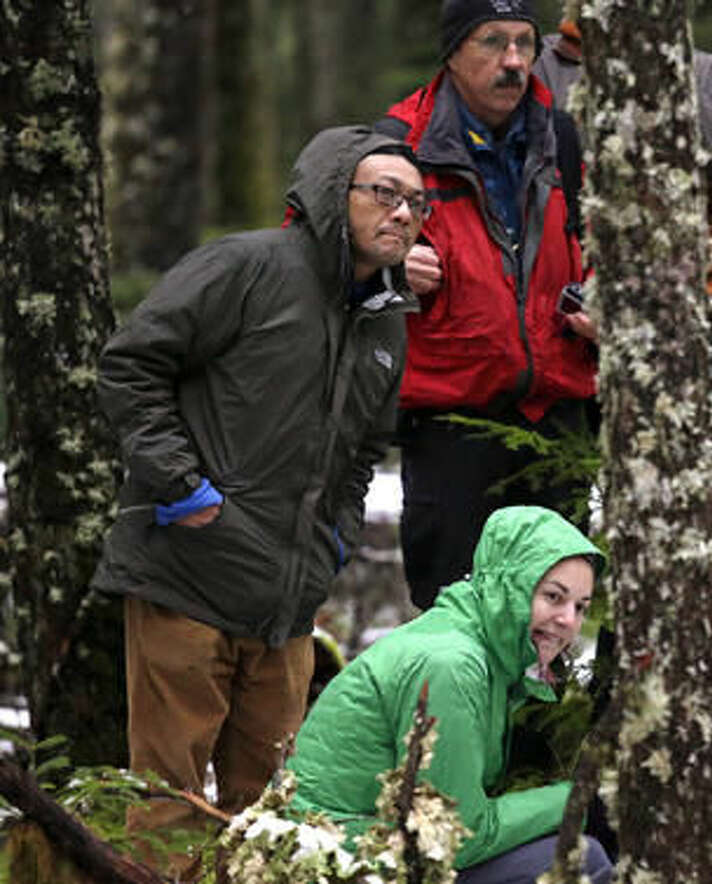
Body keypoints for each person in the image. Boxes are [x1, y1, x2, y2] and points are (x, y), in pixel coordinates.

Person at [91, 125, 426, 875]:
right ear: (333, 196)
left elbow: (363, 451)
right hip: (187, 577)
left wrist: (331, 539)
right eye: (383, 193)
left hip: (288, 605)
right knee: (170, 809)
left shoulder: (386, 319)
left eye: (416, 203)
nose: (402, 214)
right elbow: (131, 366)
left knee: (270, 813)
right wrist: (181, 487)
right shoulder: (247, 267)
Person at [375, 0, 598, 610]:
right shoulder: (398, 145)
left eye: (525, 43)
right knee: (456, 619)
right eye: (493, 42)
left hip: (555, 415)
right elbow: (324, 262)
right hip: (450, 427)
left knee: (551, 623)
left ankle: (546, 712)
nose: (514, 61)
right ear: (451, 53)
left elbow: (602, 246)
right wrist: (387, 268)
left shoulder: (564, 140)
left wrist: (604, 303)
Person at [287, 505, 613, 883]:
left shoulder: (478, 650)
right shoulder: (452, 666)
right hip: (339, 863)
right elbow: (451, 836)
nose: (569, 621)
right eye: (553, 597)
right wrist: (578, 799)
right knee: (582, 859)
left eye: (580, 607)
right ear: (509, 586)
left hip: (367, 849)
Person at [534, 19, 712, 438]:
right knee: (552, 492)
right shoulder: (531, 62)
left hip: (667, 329)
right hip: (552, 325)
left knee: (668, 485)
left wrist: (672, 77)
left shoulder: (708, 75)